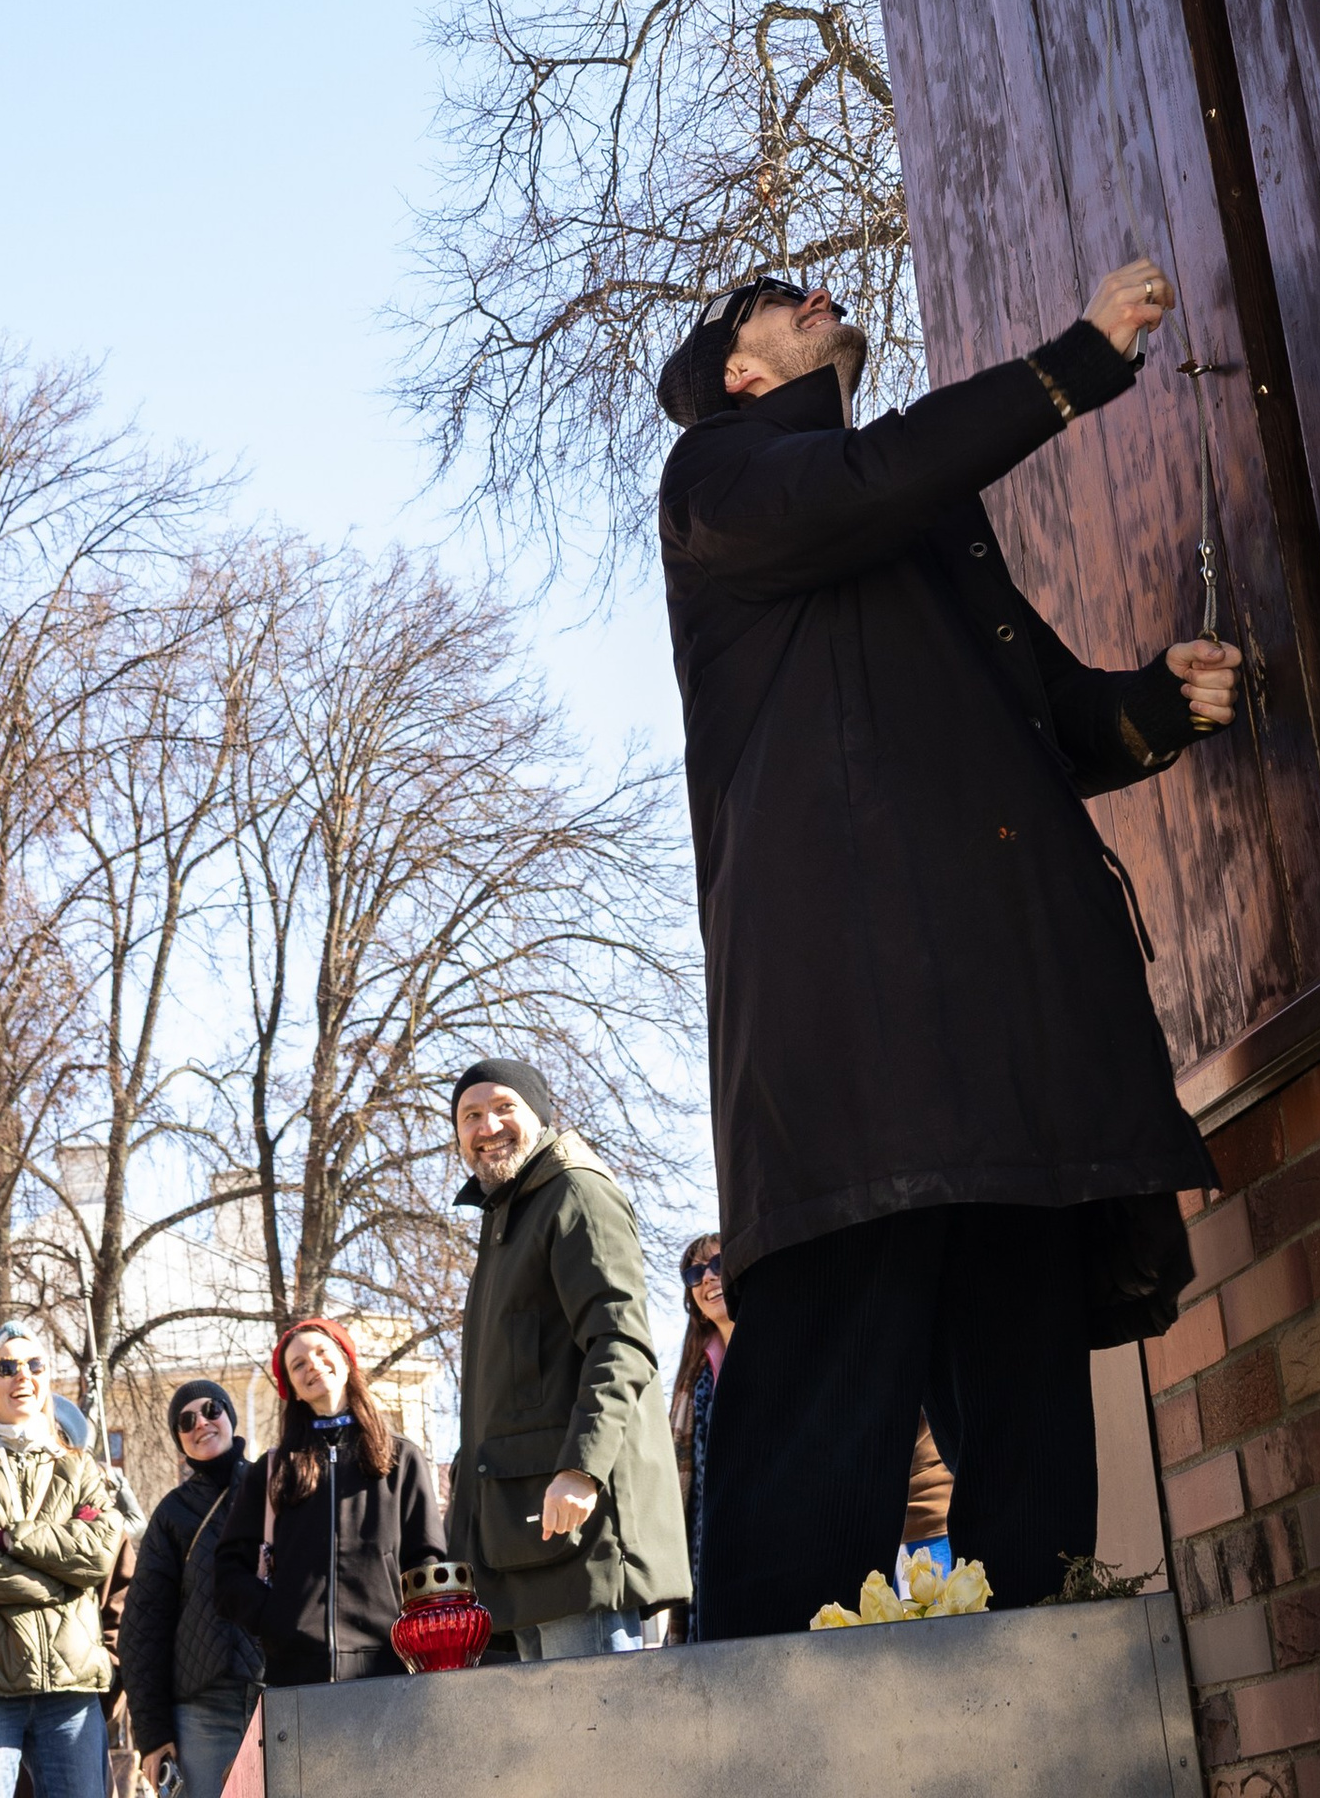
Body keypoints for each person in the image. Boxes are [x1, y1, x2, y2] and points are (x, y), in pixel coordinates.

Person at [655, 260, 1243, 1638]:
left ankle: (1050, 1681)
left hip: (1005, 1029)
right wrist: (1078, 361)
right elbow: (868, 482)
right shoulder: (724, 482)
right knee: (837, 1365)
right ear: (741, 377)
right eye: (779, 303)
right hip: (852, 1041)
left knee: (1024, 1362)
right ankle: (775, 1729)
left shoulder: (916, 521)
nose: (819, 303)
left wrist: (1164, 703)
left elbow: (1042, 714)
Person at [447, 1061, 691, 1658]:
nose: (488, 1125)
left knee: (606, 1746)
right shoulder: (507, 1217)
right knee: (563, 1749)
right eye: (471, 1116)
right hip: (526, 1544)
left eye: (505, 1107)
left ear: (541, 1116)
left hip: (583, 1543)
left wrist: (581, 1468)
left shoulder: (575, 1192)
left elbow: (620, 1344)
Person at [0, 1319, 123, 1798]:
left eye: (35, 1364)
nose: (22, 1376)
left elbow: (97, 1556)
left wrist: (13, 1540)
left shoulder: (80, 1468)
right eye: (5, 1367)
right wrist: (59, 1585)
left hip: (70, 1685)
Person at [211, 1318, 439, 1690]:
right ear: (293, 1390)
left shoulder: (402, 1458)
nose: (312, 1365)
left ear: (346, 1362)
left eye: (321, 1352)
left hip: (389, 1673)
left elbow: (427, 1561)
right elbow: (227, 1574)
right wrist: (276, 1619)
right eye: (298, 1364)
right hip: (295, 1677)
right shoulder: (270, 1471)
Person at [119, 1384, 261, 1797]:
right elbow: (143, 1630)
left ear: (229, 1417)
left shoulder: (277, 1488)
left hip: (280, 1695)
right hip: (203, 1711)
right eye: (186, 1420)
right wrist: (153, 1733)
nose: (201, 1422)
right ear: (180, 1440)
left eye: (211, 1409)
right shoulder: (172, 1514)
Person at [664, 1234, 726, 1630]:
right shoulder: (694, 1374)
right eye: (695, 1272)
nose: (707, 1278)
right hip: (708, 1540)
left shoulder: (778, 1347)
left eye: (717, 1264)